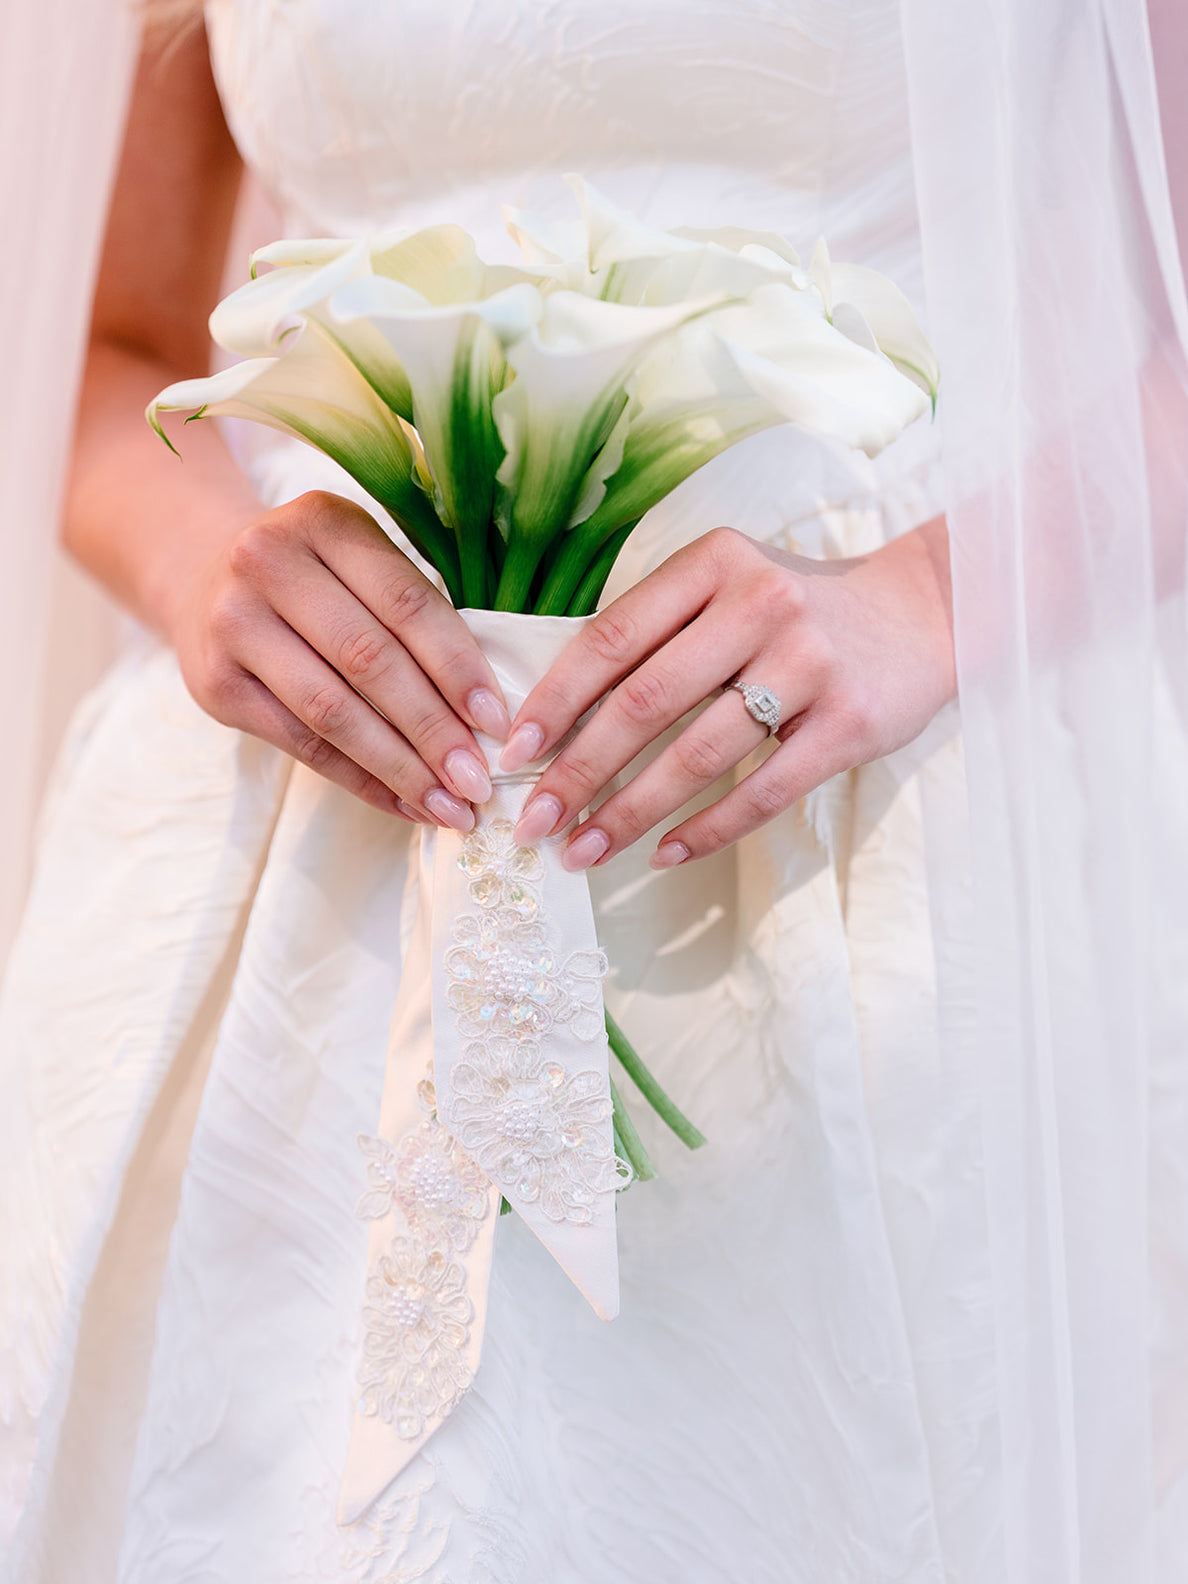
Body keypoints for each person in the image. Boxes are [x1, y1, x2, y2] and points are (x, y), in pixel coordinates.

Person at [1, 1, 1186, 1581]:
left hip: (892, 829)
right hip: (297, 860)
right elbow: (103, 349)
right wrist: (206, 560)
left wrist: (930, 600)